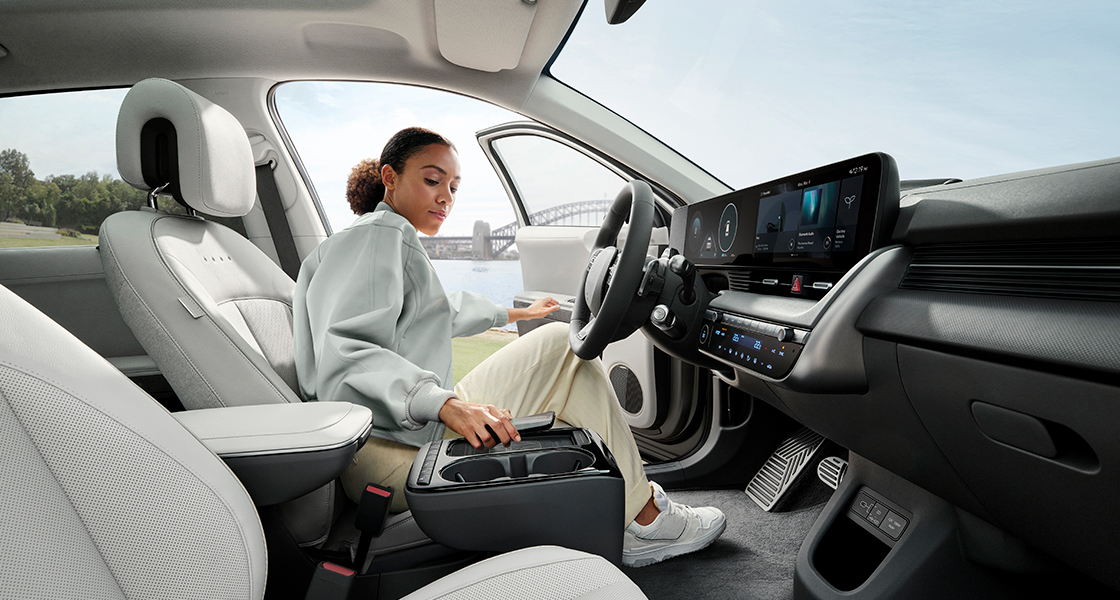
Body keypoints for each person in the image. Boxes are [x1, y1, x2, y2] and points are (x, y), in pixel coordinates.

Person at [293, 127, 726, 567]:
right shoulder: (377, 236)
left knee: (564, 355)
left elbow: (441, 311)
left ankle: (634, 511)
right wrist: (443, 404)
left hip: (392, 429)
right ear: (390, 177)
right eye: (431, 180)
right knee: (563, 346)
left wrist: (518, 313)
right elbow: (346, 353)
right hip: (386, 447)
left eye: (454, 187)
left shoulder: (370, 240)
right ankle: (645, 519)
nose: (446, 197)